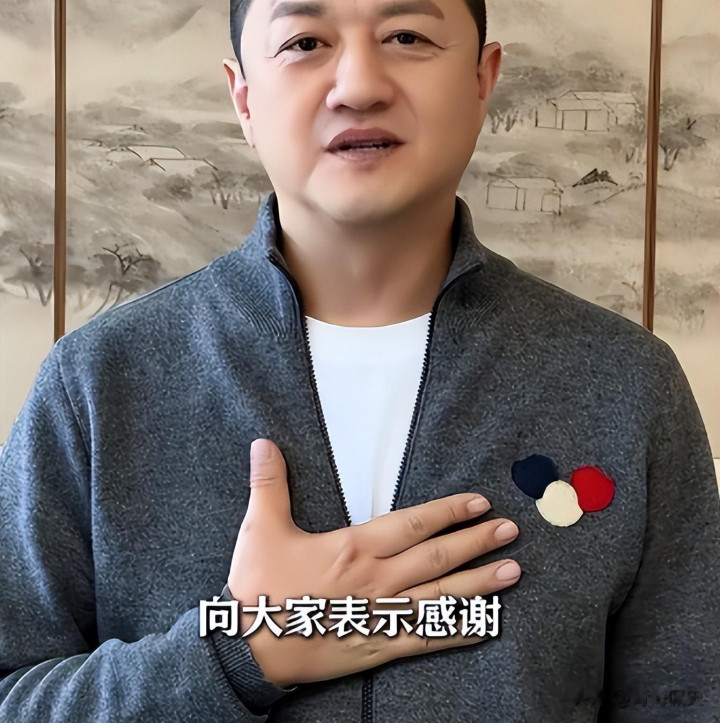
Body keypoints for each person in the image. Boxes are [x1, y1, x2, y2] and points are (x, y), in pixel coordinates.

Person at [1, 0, 719, 720]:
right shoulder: (97, 381)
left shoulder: (627, 383)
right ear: (244, 96)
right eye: (304, 42)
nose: (359, 86)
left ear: (482, 79)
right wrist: (242, 654)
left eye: (406, 36)